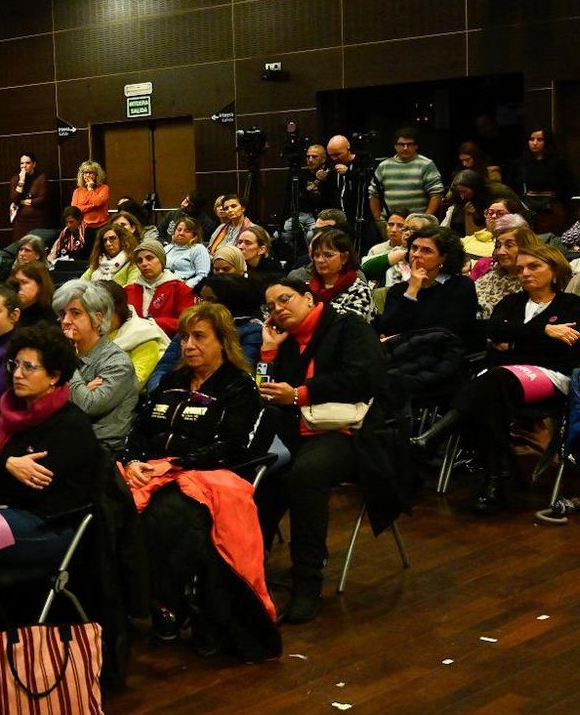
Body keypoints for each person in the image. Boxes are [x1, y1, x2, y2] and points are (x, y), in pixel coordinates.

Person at [120, 303, 277, 658]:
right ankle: (120, 605)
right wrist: (132, 461)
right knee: (107, 502)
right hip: (149, 471)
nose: (189, 345)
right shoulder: (171, 382)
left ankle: (167, 605)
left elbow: (231, 446)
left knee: (168, 515)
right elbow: (138, 430)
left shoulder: (239, 386)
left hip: (203, 476)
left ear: (223, 341)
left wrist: (174, 465)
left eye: (199, 337)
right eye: (184, 337)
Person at [254, 275, 397, 623]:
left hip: (351, 432)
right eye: (271, 306)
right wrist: (268, 351)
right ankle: (250, 566)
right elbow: (265, 392)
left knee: (305, 474)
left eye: (285, 299)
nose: (278, 309)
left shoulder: (349, 327)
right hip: (299, 432)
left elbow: (365, 378)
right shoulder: (287, 342)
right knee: (261, 470)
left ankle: (308, 580)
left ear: (308, 297)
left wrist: (301, 394)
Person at [414, 245, 580, 513]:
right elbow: (491, 330)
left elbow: (565, 350)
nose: (525, 273)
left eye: (534, 266)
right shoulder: (511, 302)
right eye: (520, 268)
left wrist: (516, 341)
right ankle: (494, 486)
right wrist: (544, 332)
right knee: (490, 397)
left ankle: (435, 436)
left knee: (493, 380)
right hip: (502, 378)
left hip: (552, 376)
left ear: (555, 270)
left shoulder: (572, 305)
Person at [0, 323, 105, 572]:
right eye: (15, 365)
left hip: (47, 526)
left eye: (29, 367)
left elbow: (32, 489)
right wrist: (7, 464)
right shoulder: (4, 409)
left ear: (54, 376)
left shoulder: (71, 425)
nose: (18, 374)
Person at [56, 279, 139, 449]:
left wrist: (68, 361)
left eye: (75, 313)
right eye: (63, 314)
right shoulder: (60, 354)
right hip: (64, 439)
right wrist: (82, 390)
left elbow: (87, 405)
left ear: (97, 319)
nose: (66, 321)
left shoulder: (117, 363)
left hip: (100, 448)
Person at [377, 226, 477, 343]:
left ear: (443, 258)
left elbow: (448, 330)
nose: (416, 254)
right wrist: (412, 290)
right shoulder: (398, 290)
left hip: (446, 350)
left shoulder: (461, 285)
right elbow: (389, 329)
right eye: (414, 248)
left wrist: (402, 336)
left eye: (426, 250)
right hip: (403, 351)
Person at [371, 127, 447, 227]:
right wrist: (378, 220)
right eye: (401, 144)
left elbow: (436, 193)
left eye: (409, 144)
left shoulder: (426, 164)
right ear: (395, 146)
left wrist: (426, 219)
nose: (405, 148)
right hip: (391, 222)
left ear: (416, 146)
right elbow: (373, 194)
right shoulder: (383, 166)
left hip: (417, 223)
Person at [306, 228, 376, 325]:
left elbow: (348, 327)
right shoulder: (307, 289)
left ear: (345, 257)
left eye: (328, 255)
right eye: (317, 255)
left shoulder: (360, 291)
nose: (320, 260)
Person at [126, 241, 195, 336]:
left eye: (149, 258)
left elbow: (186, 322)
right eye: (139, 260)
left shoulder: (180, 289)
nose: (144, 263)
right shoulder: (128, 290)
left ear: (161, 260)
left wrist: (151, 323)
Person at [514, 127, 575, 230]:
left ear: (547, 141)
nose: (534, 143)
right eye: (531, 139)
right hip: (528, 210)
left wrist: (557, 200)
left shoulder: (558, 163)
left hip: (552, 210)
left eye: (540, 139)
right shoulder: (522, 164)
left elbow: (570, 187)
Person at [471, 222, 532, 317]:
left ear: (525, 247)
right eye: (498, 246)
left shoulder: (530, 282)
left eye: (509, 245)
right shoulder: (492, 272)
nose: (500, 252)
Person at [9, 152, 52, 242]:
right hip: (20, 222)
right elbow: (14, 199)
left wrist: (27, 201)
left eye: (27, 163)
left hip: (36, 222)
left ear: (34, 164)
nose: (24, 166)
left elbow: (42, 199)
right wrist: (21, 181)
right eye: (22, 163)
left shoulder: (41, 178)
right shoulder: (16, 179)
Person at [165, 214, 212, 291]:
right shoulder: (167, 248)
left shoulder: (198, 248)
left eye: (186, 231)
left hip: (185, 288)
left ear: (194, 235)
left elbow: (203, 275)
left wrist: (185, 287)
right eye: (179, 230)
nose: (181, 233)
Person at [87, 222, 137, 288]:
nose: (108, 243)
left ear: (122, 240)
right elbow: (81, 283)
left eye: (112, 238)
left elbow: (131, 287)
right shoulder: (98, 262)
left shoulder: (132, 263)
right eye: (105, 240)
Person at [11, 259, 56, 329]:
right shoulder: (8, 309)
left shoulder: (51, 317)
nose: (18, 287)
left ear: (40, 285)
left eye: (24, 282)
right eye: (15, 283)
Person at [49, 207, 91, 276]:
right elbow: (56, 252)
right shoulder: (64, 233)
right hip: (64, 265)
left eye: (71, 222)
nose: (68, 225)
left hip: (81, 268)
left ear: (79, 220)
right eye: (66, 222)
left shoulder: (89, 233)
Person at [71, 161, 111, 233]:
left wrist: (90, 189)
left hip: (101, 226)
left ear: (97, 175)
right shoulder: (77, 191)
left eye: (91, 173)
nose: (88, 175)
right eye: (85, 173)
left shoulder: (104, 188)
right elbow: (75, 210)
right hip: (84, 227)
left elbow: (98, 203)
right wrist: (92, 206)